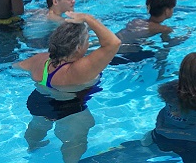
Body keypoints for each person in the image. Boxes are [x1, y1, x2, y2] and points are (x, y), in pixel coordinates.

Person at [15, 12, 120, 163]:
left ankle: (32, 147)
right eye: (87, 39)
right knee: (76, 139)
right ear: (78, 47)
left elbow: (15, 67)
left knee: (38, 124)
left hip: (38, 101)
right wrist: (88, 18)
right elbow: (113, 43)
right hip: (67, 108)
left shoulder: (41, 59)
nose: (89, 43)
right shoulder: (78, 70)